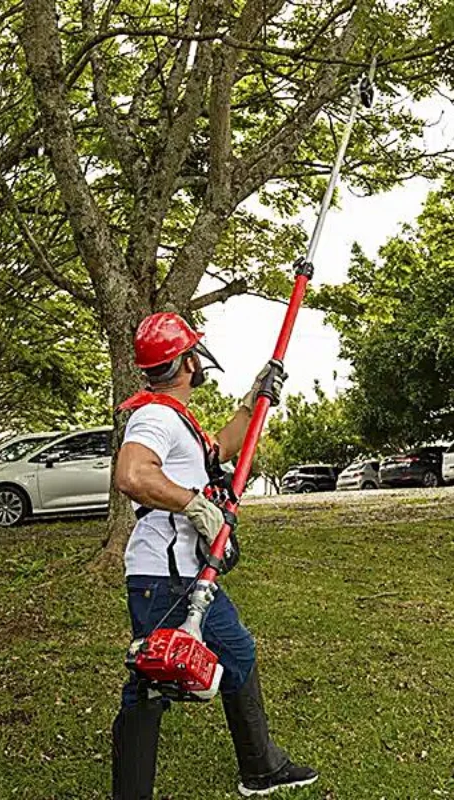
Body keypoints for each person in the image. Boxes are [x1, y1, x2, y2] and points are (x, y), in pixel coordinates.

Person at [111, 312, 318, 799]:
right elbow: (132, 475)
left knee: (232, 654)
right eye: (193, 353)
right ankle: (253, 769)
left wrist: (254, 401)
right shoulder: (155, 416)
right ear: (186, 362)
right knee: (150, 682)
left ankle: (260, 767)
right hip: (166, 576)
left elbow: (220, 450)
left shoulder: (175, 416)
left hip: (181, 573)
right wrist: (194, 504)